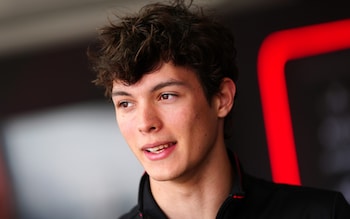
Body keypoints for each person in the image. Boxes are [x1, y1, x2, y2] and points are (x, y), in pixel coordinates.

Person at [87, 0, 350, 218]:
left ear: (222, 98)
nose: (145, 122)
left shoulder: (322, 214)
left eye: (166, 96)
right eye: (126, 103)